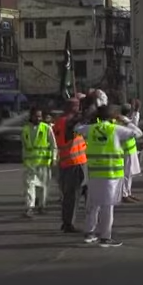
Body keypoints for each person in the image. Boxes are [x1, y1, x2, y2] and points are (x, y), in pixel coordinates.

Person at [75, 105, 143, 247]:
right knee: (108, 206)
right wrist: (125, 120)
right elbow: (138, 133)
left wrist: (90, 118)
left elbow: (77, 128)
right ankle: (105, 237)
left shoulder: (90, 129)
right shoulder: (116, 129)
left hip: (94, 172)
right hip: (111, 174)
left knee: (93, 204)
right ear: (114, 117)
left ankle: (89, 233)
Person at [54, 98, 87, 232]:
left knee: (75, 194)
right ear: (70, 107)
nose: (78, 108)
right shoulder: (68, 122)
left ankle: (69, 222)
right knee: (72, 195)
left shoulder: (61, 121)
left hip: (69, 161)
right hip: (74, 162)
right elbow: (71, 133)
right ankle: (68, 224)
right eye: (77, 106)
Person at [21, 106, 57, 218]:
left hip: (44, 163)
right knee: (29, 186)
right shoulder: (26, 129)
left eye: (40, 116)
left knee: (43, 186)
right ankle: (29, 207)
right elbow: (24, 146)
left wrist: (54, 159)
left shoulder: (46, 128)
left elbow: (53, 145)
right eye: (36, 116)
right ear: (31, 116)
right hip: (30, 164)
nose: (38, 118)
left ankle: (42, 205)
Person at [120, 104, 142, 203]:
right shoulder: (122, 121)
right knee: (126, 173)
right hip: (126, 150)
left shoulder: (126, 121)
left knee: (130, 174)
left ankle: (128, 192)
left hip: (130, 149)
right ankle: (124, 194)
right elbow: (136, 129)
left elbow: (134, 123)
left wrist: (136, 112)